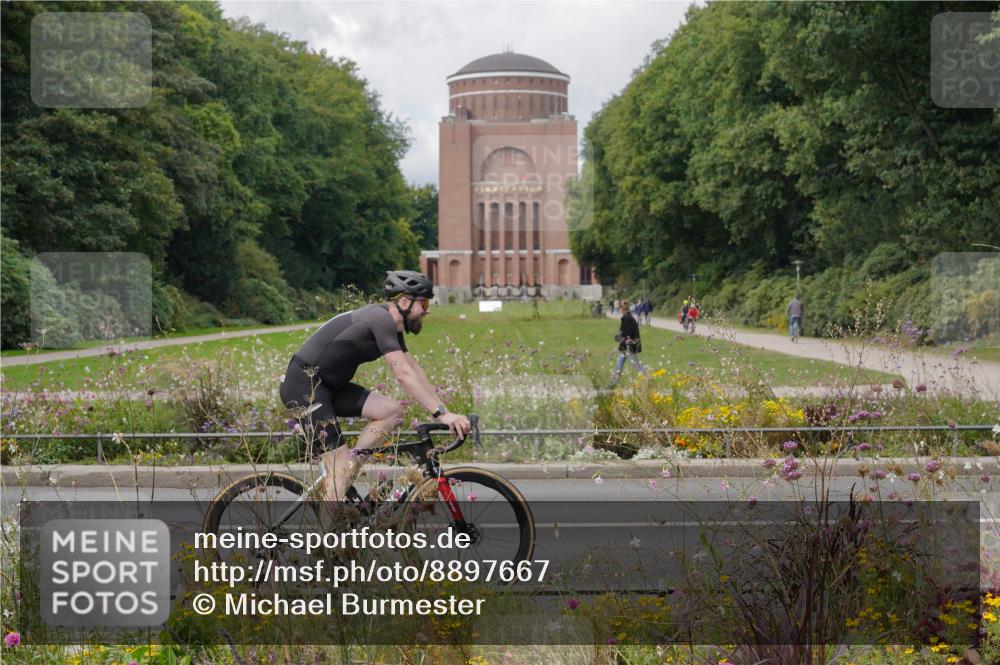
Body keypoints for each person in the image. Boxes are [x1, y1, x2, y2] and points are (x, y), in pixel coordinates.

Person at [280, 270, 471, 501]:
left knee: (392, 411)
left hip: (330, 387)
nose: (427, 309)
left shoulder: (392, 326)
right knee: (338, 470)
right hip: (304, 386)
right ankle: (325, 534)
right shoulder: (379, 319)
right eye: (424, 302)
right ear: (404, 301)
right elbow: (402, 374)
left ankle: (347, 472)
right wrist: (441, 415)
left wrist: (445, 411)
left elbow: (414, 371)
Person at [611, 300, 649, 383]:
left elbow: (627, 334)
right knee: (619, 364)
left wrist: (620, 338)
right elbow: (625, 332)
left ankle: (648, 377)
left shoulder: (627, 318)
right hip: (626, 347)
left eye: (619, 309)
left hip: (628, 347)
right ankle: (614, 382)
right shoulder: (628, 317)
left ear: (622, 309)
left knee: (637, 366)